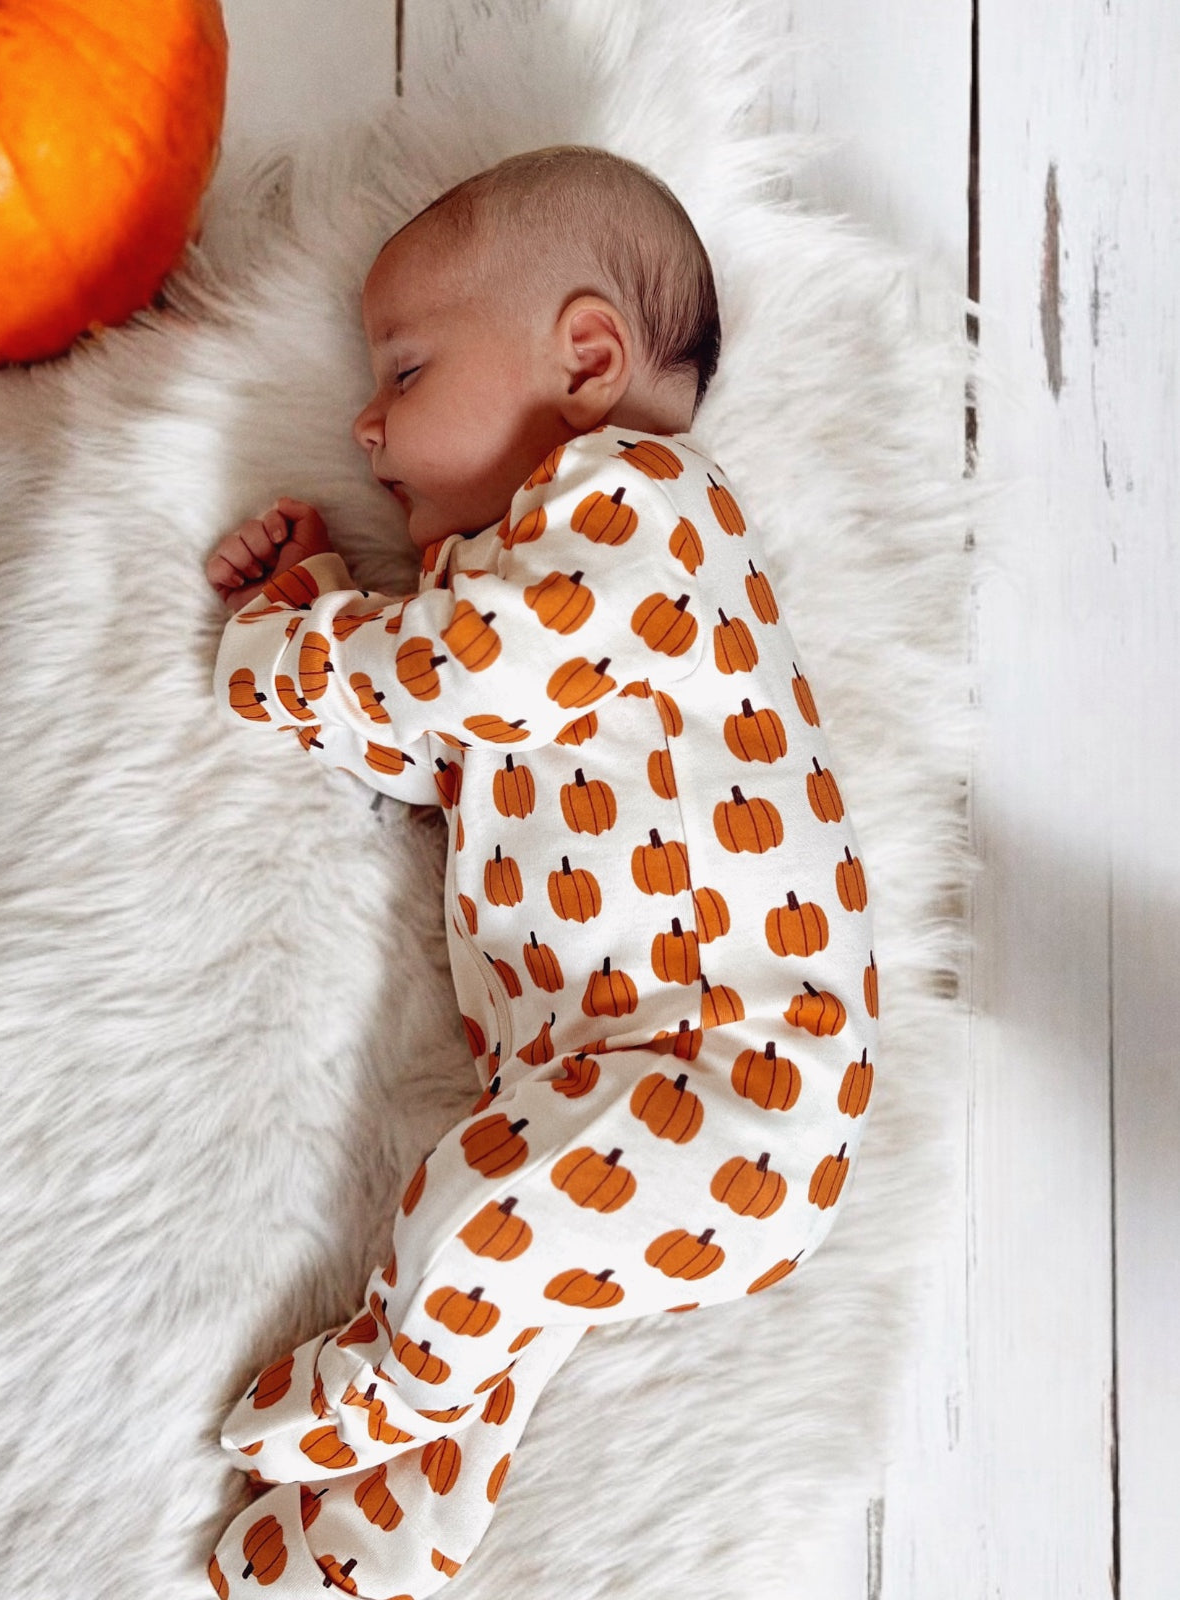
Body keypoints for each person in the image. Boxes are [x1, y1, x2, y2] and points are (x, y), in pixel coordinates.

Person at [204, 145, 879, 1600]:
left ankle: (391, 1386)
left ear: (585, 359)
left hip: (734, 1072)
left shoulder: (641, 505)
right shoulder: (507, 590)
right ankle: (364, 1548)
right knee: (503, 1285)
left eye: (404, 370)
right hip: (603, 1076)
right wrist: (312, 599)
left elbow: (464, 678)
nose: (364, 425)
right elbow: (426, 750)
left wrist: (292, 657)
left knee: (469, 1219)